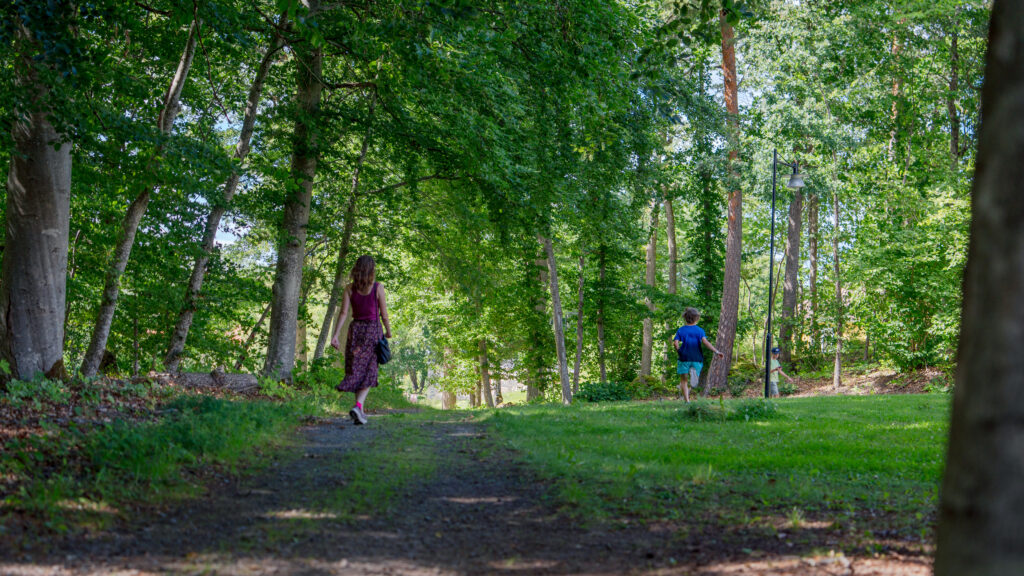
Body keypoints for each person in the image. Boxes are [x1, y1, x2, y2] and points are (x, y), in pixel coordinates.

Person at [331, 255, 392, 425]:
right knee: (370, 370)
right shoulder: (378, 287)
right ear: (372, 270)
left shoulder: (349, 289)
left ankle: (360, 411)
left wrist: (335, 334)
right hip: (373, 331)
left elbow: (343, 313)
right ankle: (358, 406)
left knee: (357, 367)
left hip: (355, 331)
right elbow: (384, 315)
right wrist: (388, 331)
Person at [672, 307, 724, 402]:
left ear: (685, 318)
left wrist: (679, 351)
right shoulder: (700, 330)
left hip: (684, 357)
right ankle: (694, 373)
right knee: (695, 375)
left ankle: (687, 401)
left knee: (683, 380)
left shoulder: (681, 330)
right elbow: (705, 342)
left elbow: (675, 343)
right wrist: (716, 351)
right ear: (696, 318)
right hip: (697, 357)